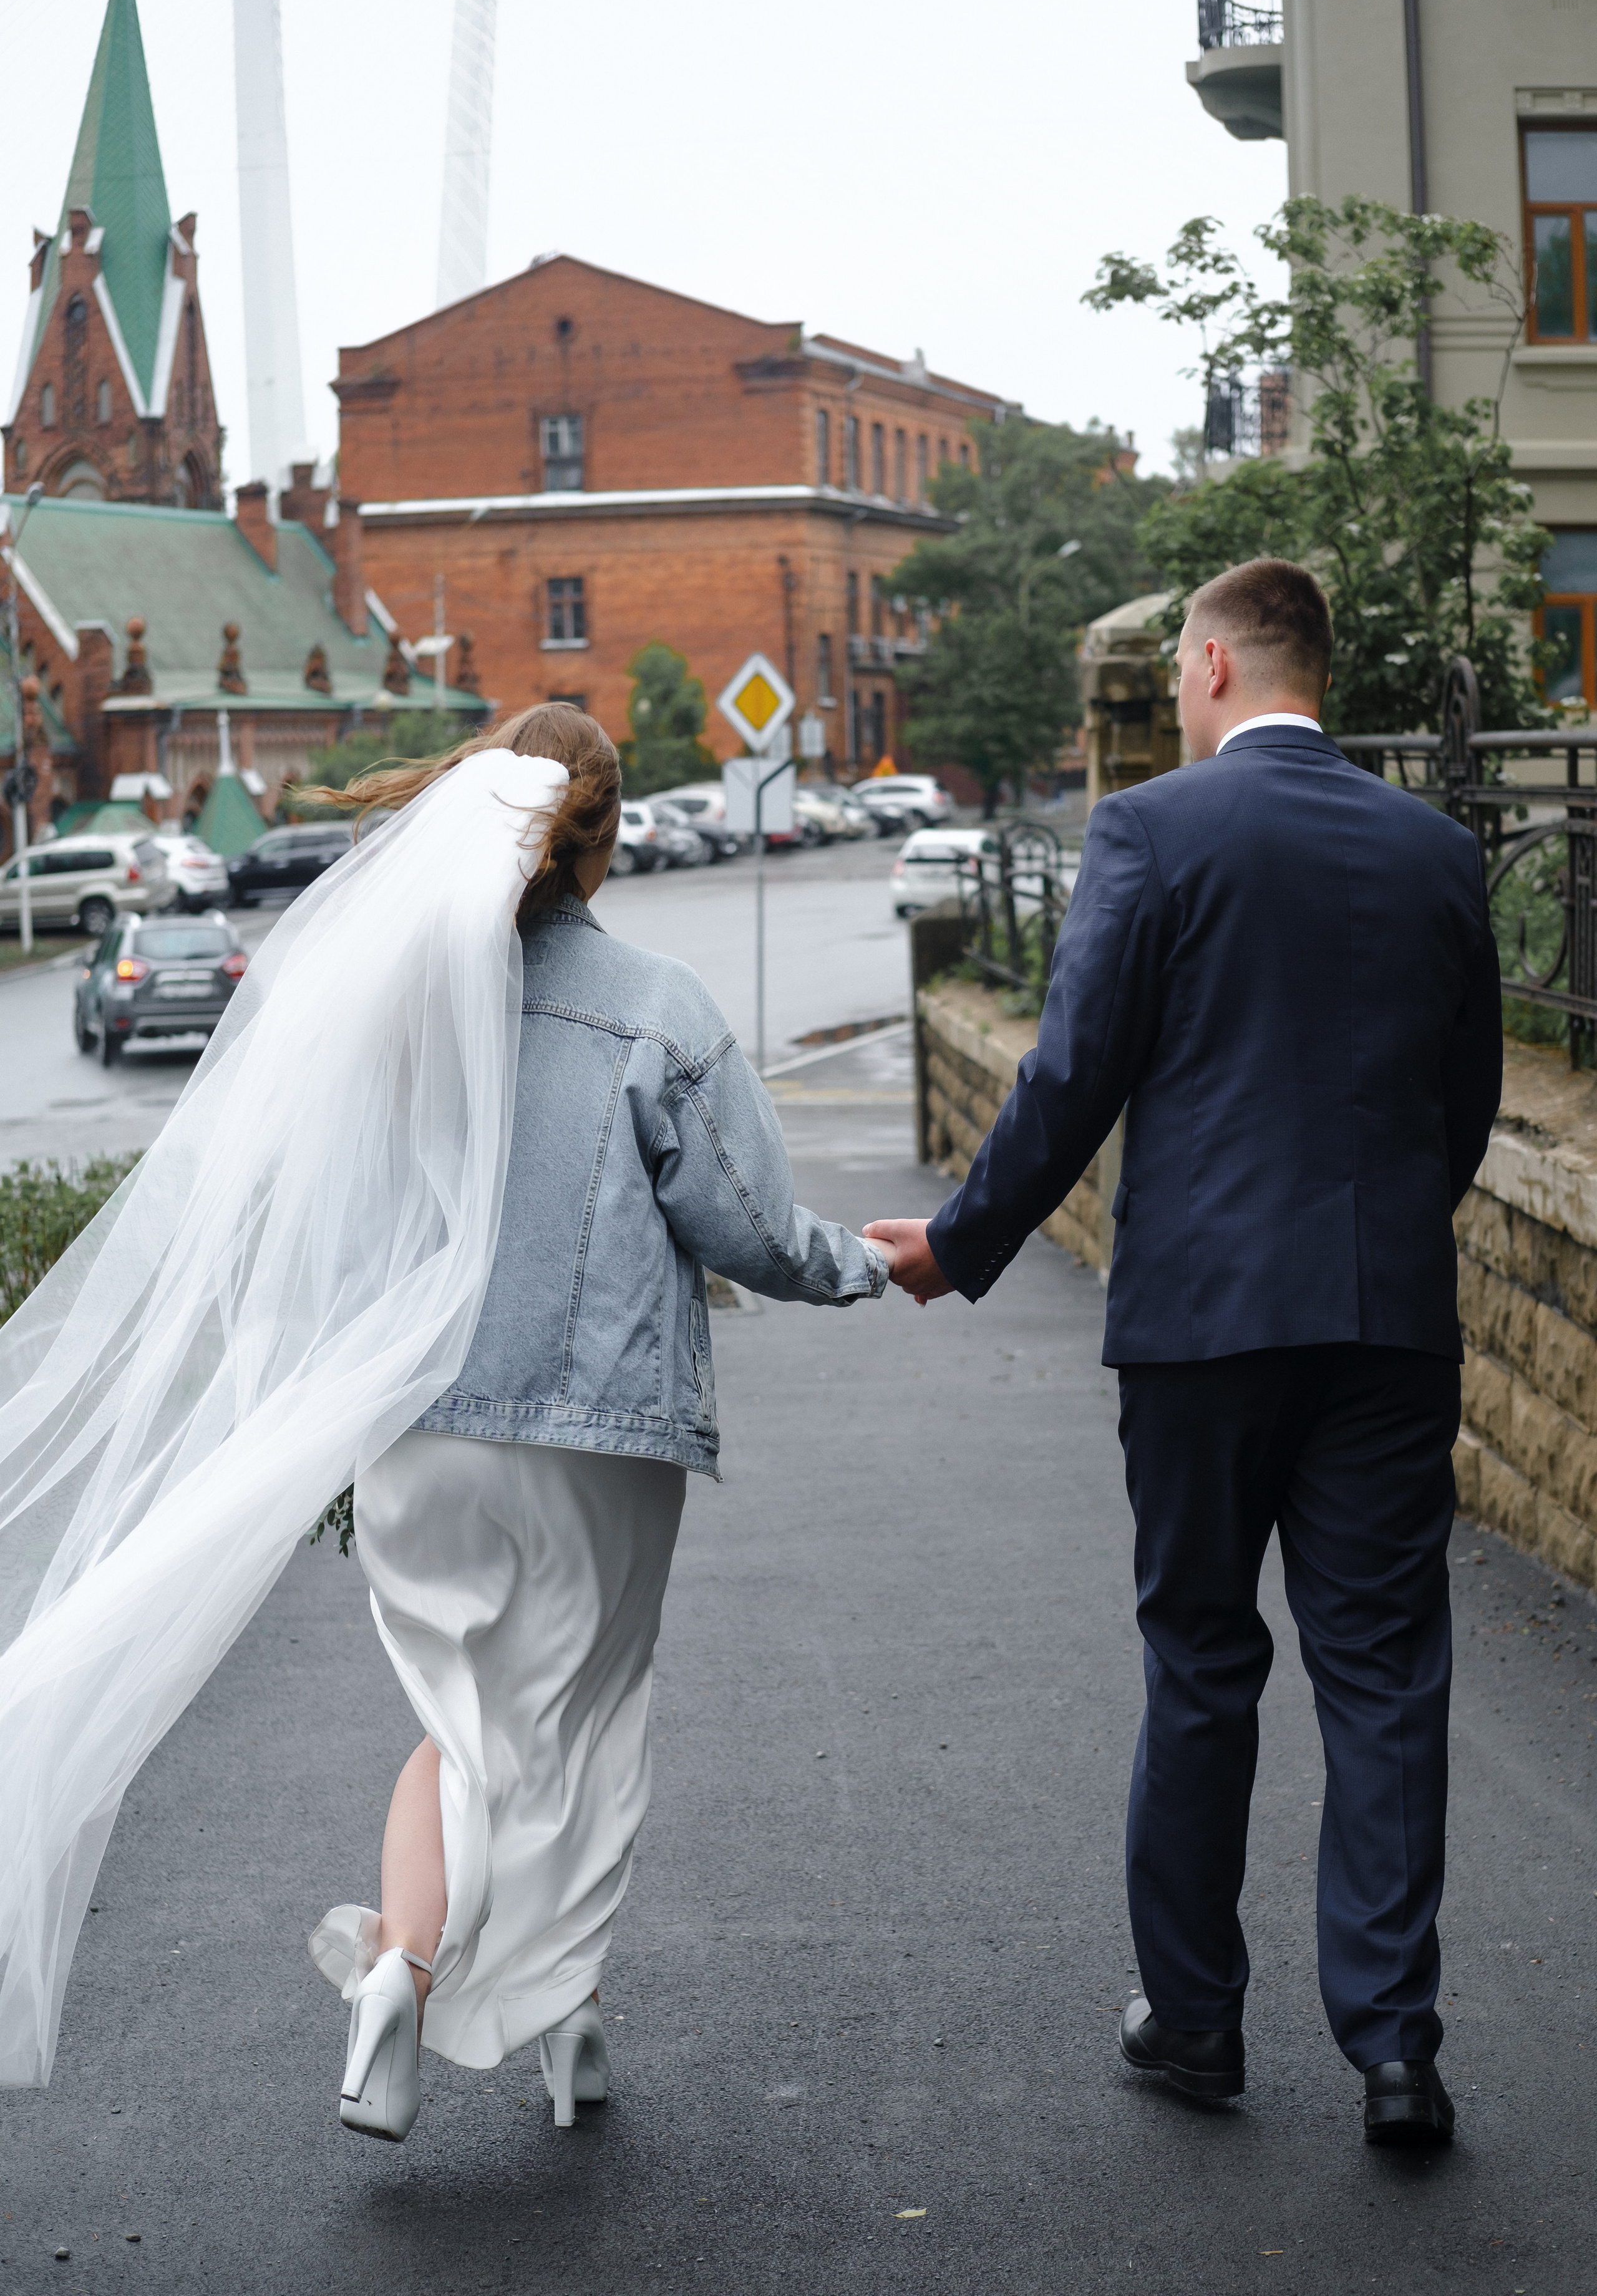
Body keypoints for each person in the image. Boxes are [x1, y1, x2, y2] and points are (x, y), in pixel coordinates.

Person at [0, 704, 893, 2137]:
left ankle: (410, 1977)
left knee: (467, 1733)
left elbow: (317, 1220)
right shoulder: (655, 1005)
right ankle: (551, 2015)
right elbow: (746, 1225)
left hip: (417, 1424)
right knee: (579, 1729)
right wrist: (872, 1264)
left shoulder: (387, 1008)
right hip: (599, 1432)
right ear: (602, 840)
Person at [867, 559, 1501, 2147]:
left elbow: (1074, 1071)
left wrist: (959, 1242)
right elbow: (1465, 1098)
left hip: (1202, 1324)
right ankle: (1394, 2052)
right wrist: (1381, 1234)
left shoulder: (1149, 831)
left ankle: (1197, 2022)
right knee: (1382, 1675)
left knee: (1202, 1657)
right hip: (1382, 1320)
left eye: (1176, 672)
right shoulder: (1434, 850)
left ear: (1211, 666)